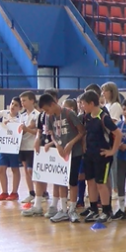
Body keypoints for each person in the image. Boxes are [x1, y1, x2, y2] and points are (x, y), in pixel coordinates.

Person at [37, 94, 86, 224]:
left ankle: (73, 209)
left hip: (74, 152)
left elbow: (82, 131)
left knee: (72, 181)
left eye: (47, 109)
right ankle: (63, 209)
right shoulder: (49, 117)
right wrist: (57, 144)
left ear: (53, 104)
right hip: (61, 153)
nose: (46, 113)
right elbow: (52, 134)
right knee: (61, 180)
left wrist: (70, 143)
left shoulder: (69, 114)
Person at [80, 89, 122, 223]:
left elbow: (118, 134)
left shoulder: (104, 117)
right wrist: (84, 146)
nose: (82, 107)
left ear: (91, 103)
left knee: (101, 184)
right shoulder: (86, 117)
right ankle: (93, 209)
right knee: (90, 182)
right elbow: (85, 133)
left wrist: (112, 151)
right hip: (89, 155)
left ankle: (106, 210)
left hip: (102, 156)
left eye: (83, 104)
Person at [18, 91, 40, 208]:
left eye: (25, 100)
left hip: (32, 146)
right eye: (21, 101)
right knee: (26, 170)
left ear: (32, 100)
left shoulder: (37, 115)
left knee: (33, 170)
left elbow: (38, 131)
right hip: (23, 146)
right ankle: (31, 192)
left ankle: (39, 193)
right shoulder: (22, 116)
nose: (23, 103)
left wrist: (27, 129)